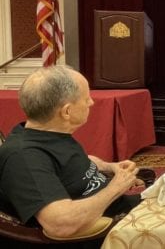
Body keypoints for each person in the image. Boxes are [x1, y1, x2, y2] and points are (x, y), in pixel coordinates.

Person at [0, 66, 144, 247]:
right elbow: (61, 224)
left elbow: (73, 163)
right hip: (106, 233)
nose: (91, 102)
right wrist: (116, 187)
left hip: (120, 211)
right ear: (66, 112)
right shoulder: (24, 158)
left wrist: (109, 166)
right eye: (86, 98)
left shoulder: (47, 133)